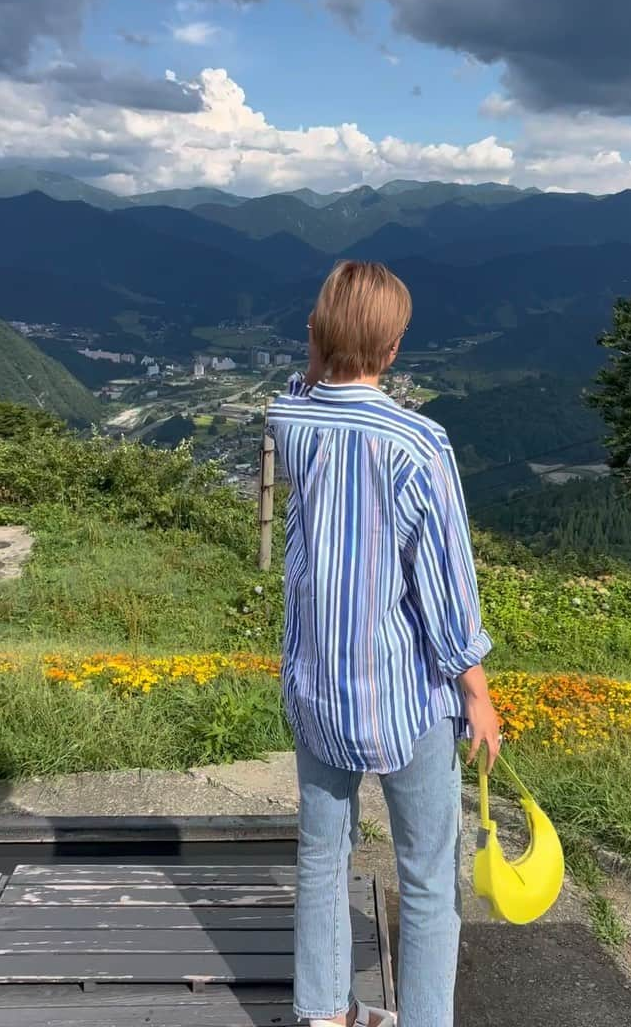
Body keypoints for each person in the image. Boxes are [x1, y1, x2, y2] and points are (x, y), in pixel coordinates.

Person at [267, 260, 500, 1027]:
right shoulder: (418, 442)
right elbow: (445, 584)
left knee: (321, 856)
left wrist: (315, 356)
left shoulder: (289, 419)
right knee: (429, 875)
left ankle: (325, 1013)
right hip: (403, 699)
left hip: (316, 688)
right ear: (395, 348)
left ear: (320, 333)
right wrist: (478, 694)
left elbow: (306, 389)